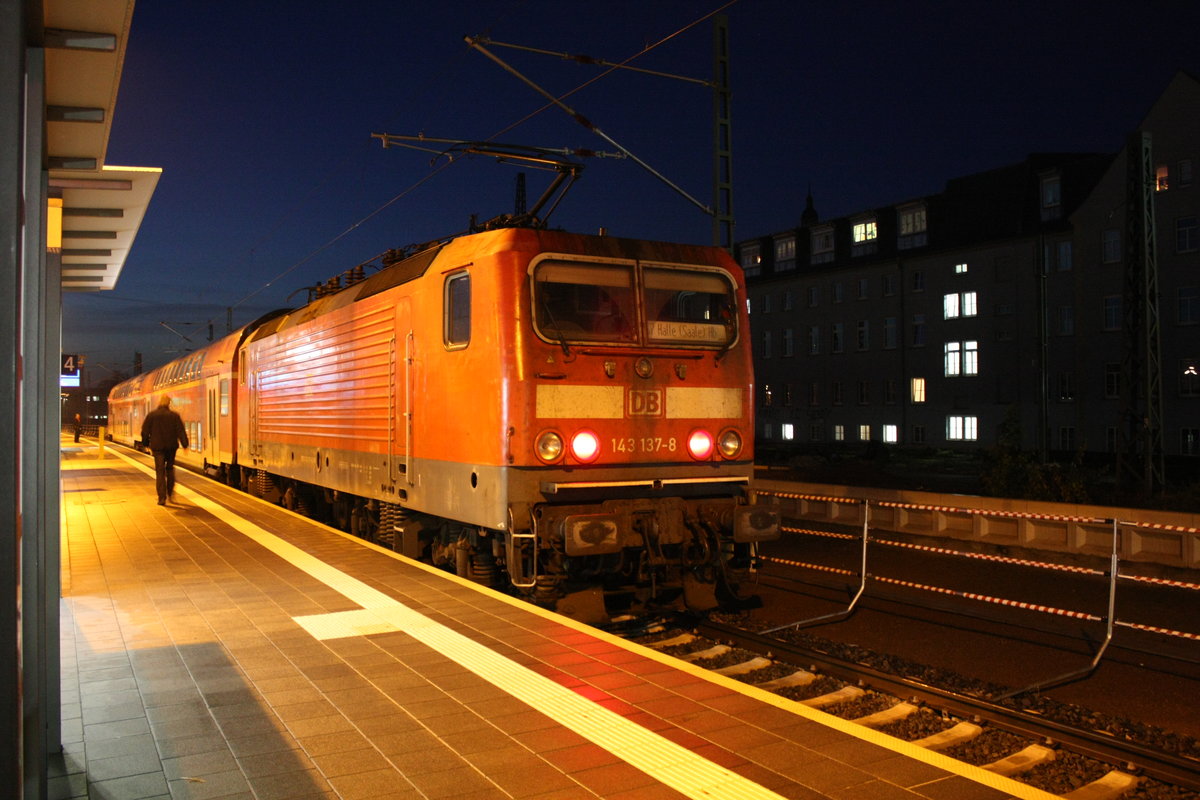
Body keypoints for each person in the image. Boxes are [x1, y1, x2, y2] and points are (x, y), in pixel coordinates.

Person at [141, 395, 188, 506]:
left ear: (159, 402)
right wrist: (185, 444)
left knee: (160, 471)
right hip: (171, 447)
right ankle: (170, 493)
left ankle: (162, 498)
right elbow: (181, 431)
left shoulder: (151, 416)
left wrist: (145, 444)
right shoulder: (174, 416)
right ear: (169, 403)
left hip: (157, 448)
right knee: (170, 469)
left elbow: (145, 431)